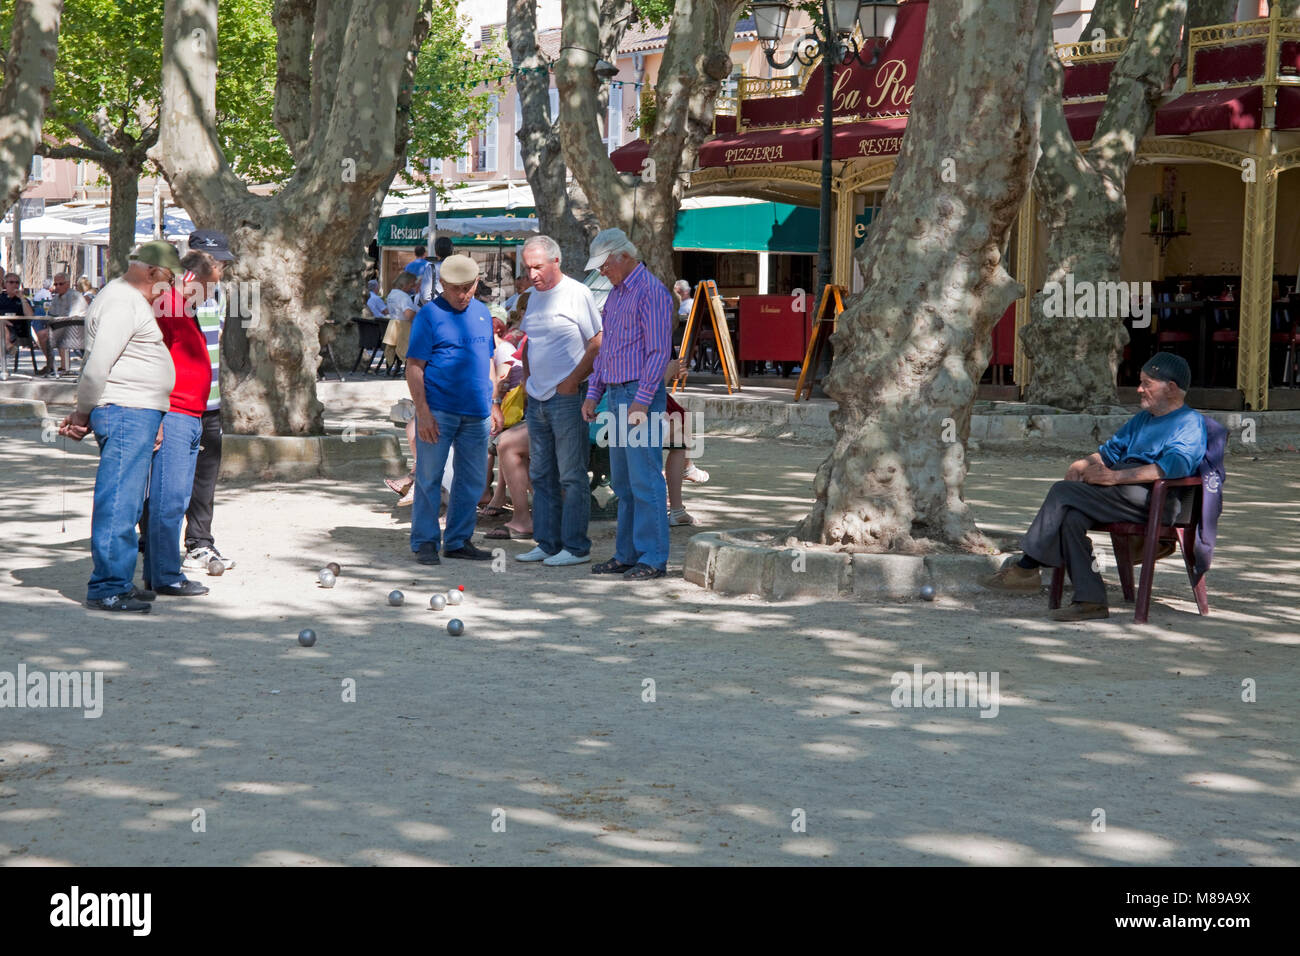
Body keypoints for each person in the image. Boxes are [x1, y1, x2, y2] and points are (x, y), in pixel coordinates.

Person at [984, 352, 1208, 621]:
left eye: (1147, 384)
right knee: (1071, 518)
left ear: (1171, 388)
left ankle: (1027, 566)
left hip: (1156, 499)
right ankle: (1090, 601)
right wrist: (1083, 463)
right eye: (1140, 382)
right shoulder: (1143, 419)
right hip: (1124, 492)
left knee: (1062, 492)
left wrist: (1114, 478)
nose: (1139, 389)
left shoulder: (1190, 423)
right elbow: (1110, 452)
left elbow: (1172, 467)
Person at [57, 242, 181, 613]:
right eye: (169, 279)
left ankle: (119, 580)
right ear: (151, 272)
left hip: (136, 411)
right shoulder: (122, 301)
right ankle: (108, 587)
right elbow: (97, 368)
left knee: (125, 501)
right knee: (119, 501)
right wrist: (81, 413)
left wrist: (155, 412)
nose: (170, 289)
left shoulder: (127, 300)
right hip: (126, 410)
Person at [581, 228, 673, 580]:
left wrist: (642, 400)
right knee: (623, 480)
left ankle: (652, 557)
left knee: (645, 479)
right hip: (619, 394)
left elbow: (658, 352)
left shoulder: (650, 291)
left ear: (622, 256)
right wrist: (594, 393)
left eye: (604, 265)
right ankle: (629, 554)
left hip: (636, 395)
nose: (601, 271)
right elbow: (608, 351)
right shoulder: (618, 294)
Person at [509, 235, 603, 567]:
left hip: (567, 397)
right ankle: (547, 543)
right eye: (527, 267)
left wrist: (573, 381)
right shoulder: (532, 296)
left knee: (572, 475)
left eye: (537, 267)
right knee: (542, 473)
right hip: (538, 397)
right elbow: (531, 342)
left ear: (556, 261)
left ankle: (576, 547)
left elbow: (597, 342)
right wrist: (531, 379)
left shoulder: (578, 293)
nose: (532, 274)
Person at [404, 254, 503, 564]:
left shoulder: (483, 313)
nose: (462, 295)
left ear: (476, 283)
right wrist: (423, 413)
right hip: (439, 410)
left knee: (472, 480)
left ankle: (458, 540)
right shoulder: (429, 316)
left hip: (476, 413)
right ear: (442, 285)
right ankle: (425, 542)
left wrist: (493, 402)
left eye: (467, 288)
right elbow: (414, 367)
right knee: (429, 478)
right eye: (454, 289)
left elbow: (488, 361)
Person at [139, 250, 220, 597]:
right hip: (174, 411)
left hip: (191, 412)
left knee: (177, 495)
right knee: (168, 498)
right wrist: (158, 411)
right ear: (193, 279)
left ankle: (162, 571)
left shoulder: (180, 307)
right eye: (209, 285)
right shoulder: (168, 304)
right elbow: (153, 358)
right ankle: (165, 574)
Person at [180, 229, 237, 574]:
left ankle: (200, 542)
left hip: (211, 403)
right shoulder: (174, 295)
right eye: (217, 263)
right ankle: (151, 544)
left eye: (222, 264)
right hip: (180, 404)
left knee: (205, 478)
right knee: (168, 480)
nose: (222, 270)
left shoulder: (221, 295)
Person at [47, 273, 88, 376]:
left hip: (78, 329)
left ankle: (64, 367)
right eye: (56, 284)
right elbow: (51, 314)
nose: (58, 287)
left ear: (67, 284)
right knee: (42, 334)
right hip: (62, 326)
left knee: (58, 332)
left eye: (61, 284)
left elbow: (73, 316)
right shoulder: (56, 298)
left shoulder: (75, 296)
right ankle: (51, 366)